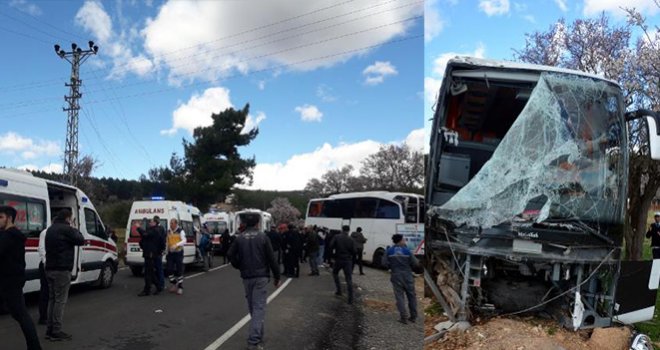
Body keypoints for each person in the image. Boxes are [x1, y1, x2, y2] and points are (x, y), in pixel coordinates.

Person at [227, 213, 280, 350]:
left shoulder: (240, 238)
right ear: (258, 224)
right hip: (261, 276)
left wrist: (239, 265)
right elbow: (271, 258)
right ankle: (254, 341)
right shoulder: (263, 237)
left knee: (253, 307)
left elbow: (230, 254)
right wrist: (277, 276)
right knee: (258, 308)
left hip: (247, 277)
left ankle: (258, 337)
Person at [0, 205, 42, 350]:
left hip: (9, 282)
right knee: (20, 314)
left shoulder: (7, 236)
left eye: (1, 217)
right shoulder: (14, 235)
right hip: (12, 280)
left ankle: (35, 347)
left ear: (9, 218)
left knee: (21, 315)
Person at [45, 208, 85, 341]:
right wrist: (73, 227)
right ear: (68, 218)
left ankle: (49, 329)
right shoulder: (67, 229)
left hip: (50, 268)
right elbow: (80, 239)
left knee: (52, 299)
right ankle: (56, 330)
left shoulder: (51, 229)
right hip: (62, 269)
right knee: (60, 301)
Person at [382, 234, 419, 324]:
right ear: (400, 241)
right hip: (407, 275)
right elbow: (416, 263)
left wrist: (390, 267)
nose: (404, 241)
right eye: (403, 240)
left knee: (399, 296)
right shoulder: (407, 251)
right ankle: (413, 316)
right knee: (411, 296)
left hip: (396, 275)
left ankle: (403, 317)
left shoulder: (389, 251)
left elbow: (384, 263)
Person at [135, 216, 166, 296]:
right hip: (149, 253)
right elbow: (145, 238)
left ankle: (148, 289)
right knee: (150, 272)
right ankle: (157, 286)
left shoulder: (156, 230)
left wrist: (138, 228)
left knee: (148, 272)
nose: (149, 223)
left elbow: (145, 234)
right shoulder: (152, 230)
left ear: (155, 223)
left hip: (151, 254)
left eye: (151, 222)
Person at [329, 225, 356, 304]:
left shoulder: (337, 237)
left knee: (335, 273)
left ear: (342, 229)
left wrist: (333, 255)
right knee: (349, 279)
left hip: (338, 259)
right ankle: (350, 298)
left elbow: (331, 246)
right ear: (348, 230)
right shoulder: (351, 239)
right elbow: (354, 251)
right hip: (347, 260)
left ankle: (339, 290)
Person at [166, 218, 186, 295]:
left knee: (179, 270)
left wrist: (176, 245)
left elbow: (184, 240)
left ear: (176, 224)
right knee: (169, 269)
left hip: (178, 252)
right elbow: (167, 241)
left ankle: (180, 287)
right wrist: (166, 250)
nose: (170, 225)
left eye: (172, 223)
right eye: (170, 223)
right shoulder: (168, 231)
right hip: (170, 253)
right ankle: (174, 283)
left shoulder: (180, 231)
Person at [37, 227, 49, 325]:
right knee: (45, 291)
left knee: (49, 292)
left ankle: (46, 316)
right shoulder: (45, 232)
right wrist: (45, 262)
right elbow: (41, 248)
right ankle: (43, 317)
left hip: (52, 265)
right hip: (46, 265)